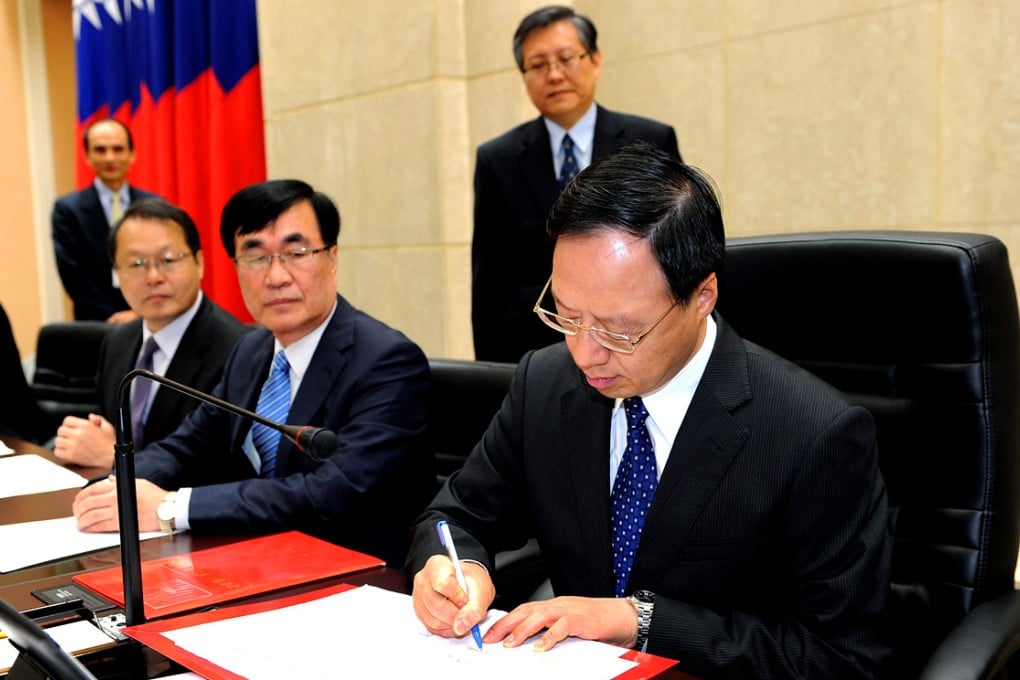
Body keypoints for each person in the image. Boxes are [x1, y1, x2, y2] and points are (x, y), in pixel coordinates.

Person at [409, 143, 891, 678]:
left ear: (702, 295)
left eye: (620, 329)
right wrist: (454, 568)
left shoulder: (813, 435)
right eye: (567, 316)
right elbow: (456, 514)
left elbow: (840, 658)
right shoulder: (544, 384)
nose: (585, 352)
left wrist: (638, 621)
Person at [72, 179, 434, 567]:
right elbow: (189, 444)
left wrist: (172, 506)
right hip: (253, 560)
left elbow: (333, 492)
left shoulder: (387, 361)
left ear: (332, 257)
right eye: (256, 257)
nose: (276, 277)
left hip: (355, 574)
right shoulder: (251, 350)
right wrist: (114, 484)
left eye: (297, 252)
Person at [471, 5, 681, 363]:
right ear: (524, 76)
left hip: (632, 341)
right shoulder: (497, 159)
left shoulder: (649, 140)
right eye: (537, 65)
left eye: (566, 58)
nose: (554, 75)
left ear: (595, 60)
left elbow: (675, 252)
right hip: (533, 351)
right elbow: (489, 282)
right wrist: (494, 370)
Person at [52, 198, 250, 470]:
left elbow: (220, 466)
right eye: (136, 264)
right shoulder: (117, 340)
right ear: (117, 274)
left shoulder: (236, 349)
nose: (153, 276)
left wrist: (117, 459)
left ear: (199, 263)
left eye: (168, 260)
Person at [52, 118, 160, 322]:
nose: (110, 157)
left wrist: (140, 314)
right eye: (100, 150)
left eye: (118, 149)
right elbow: (73, 274)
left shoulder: (155, 205)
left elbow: (161, 262)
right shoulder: (67, 210)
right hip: (96, 325)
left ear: (132, 154)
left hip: (151, 318)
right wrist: (111, 317)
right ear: (87, 156)